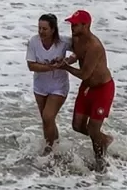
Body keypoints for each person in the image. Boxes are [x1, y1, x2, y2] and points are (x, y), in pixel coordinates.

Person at [54, 10, 114, 171]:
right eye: (71, 24)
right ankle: (104, 139)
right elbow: (77, 54)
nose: (72, 27)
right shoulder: (76, 39)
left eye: (75, 25)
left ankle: (100, 163)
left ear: (86, 25)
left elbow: (84, 73)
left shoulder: (94, 46)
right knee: (77, 125)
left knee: (93, 128)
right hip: (88, 87)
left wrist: (65, 67)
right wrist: (67, 60)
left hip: (102, 88)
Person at [26, 14, 71, 154]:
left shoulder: (64, 42)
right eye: (39, 28)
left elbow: (80, 52)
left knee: (48, 116)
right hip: (40, 86)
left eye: (44, 29)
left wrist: (67, 61)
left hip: (59, 85)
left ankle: (49, 149)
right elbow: (31, 66)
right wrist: (51, 67)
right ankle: (55, 147)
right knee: (46, 121)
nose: (41, 31)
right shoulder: (33, 41)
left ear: (53, 29)